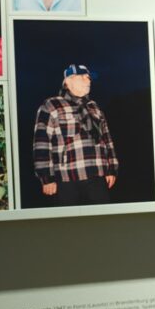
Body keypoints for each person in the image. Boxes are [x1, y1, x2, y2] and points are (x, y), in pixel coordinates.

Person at [33, 64, 118, 206]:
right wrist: (46, 178)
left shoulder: (94, 106)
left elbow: (107, 139)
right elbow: (41, 143)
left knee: (100, 218)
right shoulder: (51, 105)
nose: (88, 80)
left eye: (89, 77)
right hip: (66, 178)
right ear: (68, 81)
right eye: (83, 77)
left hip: (98, 176)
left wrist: (112, 169)